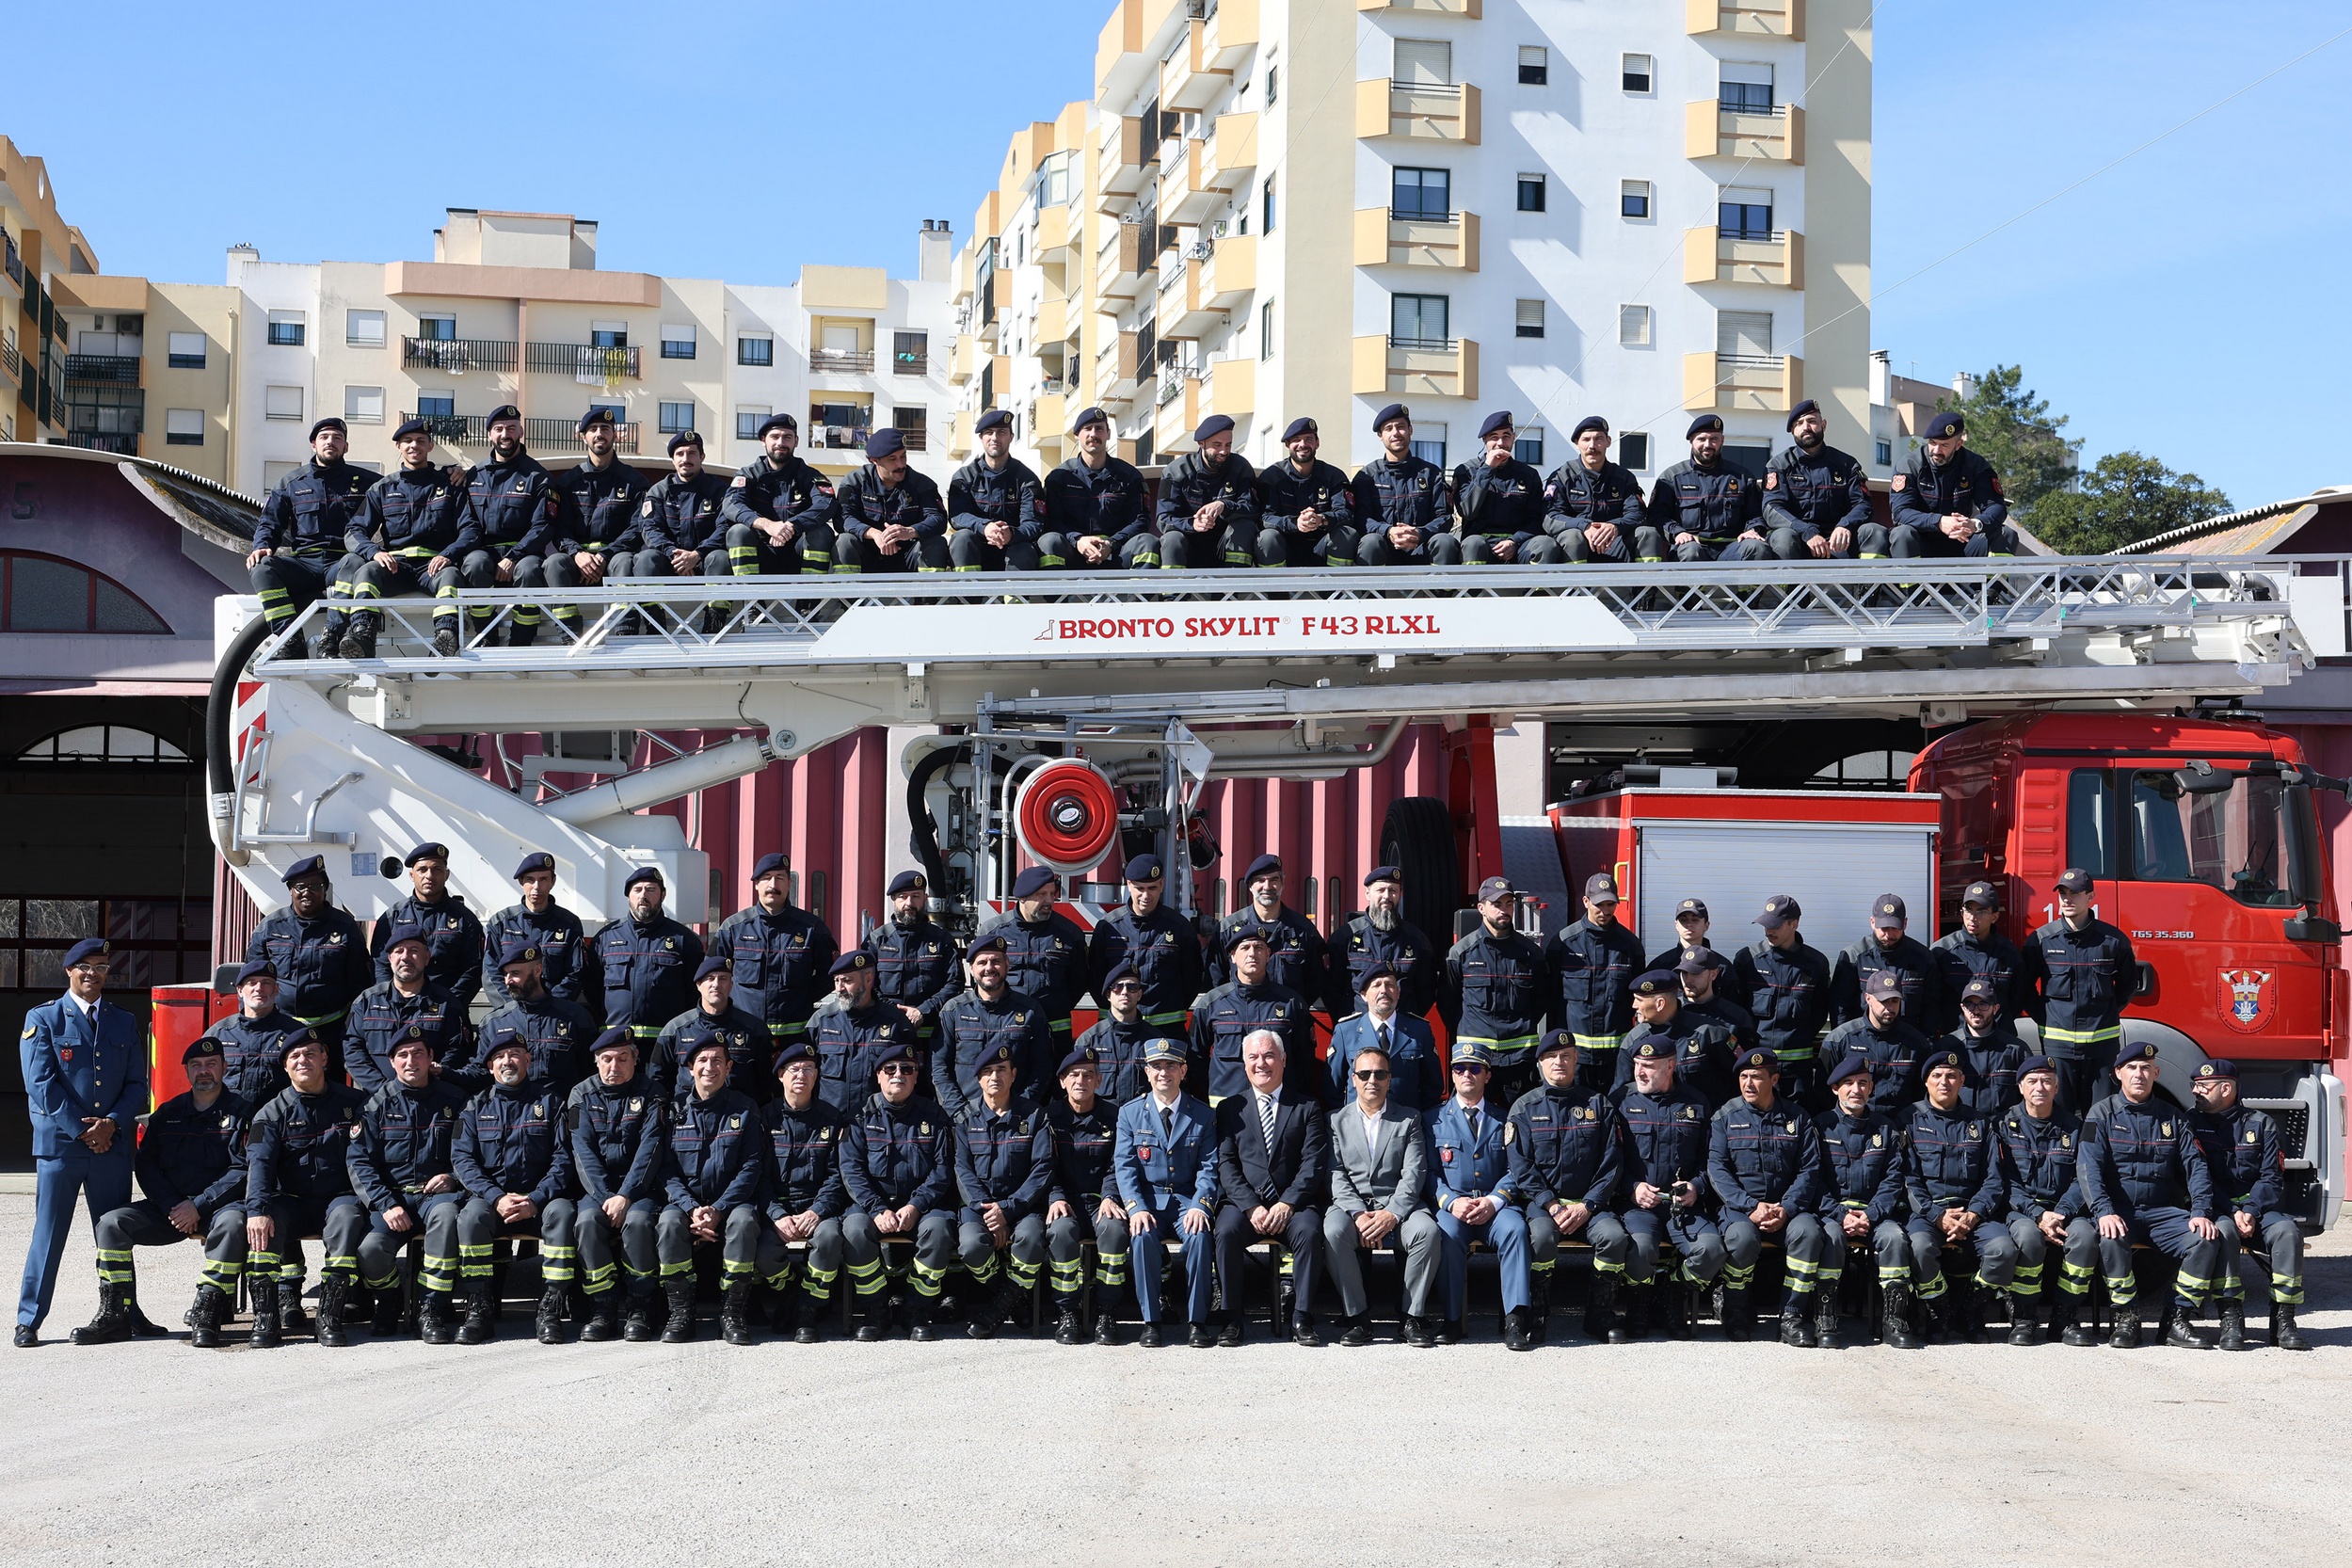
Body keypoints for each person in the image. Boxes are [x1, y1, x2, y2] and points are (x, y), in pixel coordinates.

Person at [72, 1034, 249, 1350]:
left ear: (224, 1067)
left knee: (234, 1224)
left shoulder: (243, 1113)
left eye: (211, 1064)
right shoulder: (168, 1113)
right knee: (111, 1223)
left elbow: (244, 1169)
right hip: (171, 1210)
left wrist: (199, 1205)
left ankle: (207, 1311)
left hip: (218, 1209)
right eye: (196, 1065)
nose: (204, 1071)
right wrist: (173, 1205)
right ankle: (116, 1314)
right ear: (186, 1071)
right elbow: (146, 1165)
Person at [18, 938, 148, 1348]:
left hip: (109, 1146)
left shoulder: (123, 1021)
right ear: (69, 970)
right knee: (48, 1234)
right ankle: (29, 1319)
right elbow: (40, 1084)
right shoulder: (45, 1018)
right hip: (62, 1146)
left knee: (114, 1234)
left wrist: (110, 1124)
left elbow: (136, 1085)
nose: (94, 973)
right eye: (85, 966)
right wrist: (82, 1129)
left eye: (102, 967)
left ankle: (125, 1311)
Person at [2077, 1041, 2222, 1349]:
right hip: (2119, 1211)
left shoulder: (2174, 1118)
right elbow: (2089, 1168)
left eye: (2146, 1068)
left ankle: (2176, 1319)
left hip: (2161, 1213)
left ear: (2156, 1073)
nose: (2139, 1074)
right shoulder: (2100, 1115)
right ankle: (2126, 1318)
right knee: (2111, 1238)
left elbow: (2195, 1167)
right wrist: (2103, 1211)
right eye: (2132, 1068)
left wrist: (2200, 1212)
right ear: (2118, 1073)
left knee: (2205, 1239)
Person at [1500, 1032, 1631, 1347]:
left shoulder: (1597, 1105)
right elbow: (1521, 1167)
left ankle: (1599, 1314)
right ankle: (1539, 1312)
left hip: (1590, 1205)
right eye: (1551, 1057)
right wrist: (1551, 1204)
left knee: (1614, 1239)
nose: (1559, 1062)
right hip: (1545, 1205)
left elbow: (1612, 1162)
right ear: (1541, 1063)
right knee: (1541, 1239)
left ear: (1576, 1060)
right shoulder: (1524, 1108)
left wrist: (1588, 1205)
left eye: (1566, 1056)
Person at [242, 1030, 369, 1349]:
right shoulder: (270, 1114)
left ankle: (329, 1317)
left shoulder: (354, 1105)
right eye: (295, 1056)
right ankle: (267, 1319)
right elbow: (260, 1166)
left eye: (311, 1054)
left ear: (325, 1059)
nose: (303, 1061)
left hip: (338, 1200)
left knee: (347, 1218)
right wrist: (257, 1211)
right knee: (264, 1228)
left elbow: (369, 1158)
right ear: (285, 1066)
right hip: (291, 1202)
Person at [451, 1032, 576, 1345]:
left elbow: (564, 1159)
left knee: (563, 1212)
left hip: (540, 1202)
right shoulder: (474, 1107)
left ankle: (550, 1309)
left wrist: (535, 1199)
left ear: (528, 1061)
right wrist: (496, 1197)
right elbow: (462, 1160)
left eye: (516, 1054)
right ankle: (479, 1307)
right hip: (492, 1202)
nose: (508, 1061)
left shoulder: (550, 1103)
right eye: (500, 1057)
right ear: (491, 1067)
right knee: (470, 1218)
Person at [346, 1030, 468, 1345]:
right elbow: (360, 1162)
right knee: (370, 1250)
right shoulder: (376, 1105)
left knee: (447, 1218)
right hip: (394, 1197)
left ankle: (432, 1307)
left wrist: (454, 1177)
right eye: (403, 1055)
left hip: (437, 1196)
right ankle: (389, 1299)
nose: (411, 1061)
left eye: (418, 1054)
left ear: (430, 1059)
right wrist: (386, 1204)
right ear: (392, 1062)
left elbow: (475, 1152)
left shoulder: (455, 1101)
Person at [1707, 1046, 1833, 1345]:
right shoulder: (1725, 1117)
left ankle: (1791, 1316)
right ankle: (1737, 1311)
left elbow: (1809, 1170)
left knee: (1809, 1233)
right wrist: (1750, 1207)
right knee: (1741, 1238)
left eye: (1757, 1077)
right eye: (1744, 1077)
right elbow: (1717, 1170)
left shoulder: (1798, 1118)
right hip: (1741, 1208)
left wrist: (1787, 1208)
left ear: (1774, 1079)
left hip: (1787, 1208)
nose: (1749, 1084)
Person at [1212, 1029, 1331, 1345]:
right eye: (1253, 1057)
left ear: (1283, 1060)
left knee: (1309, 1232)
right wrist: (1251, 1205)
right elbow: (1226, 1164)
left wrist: (1288, 1203)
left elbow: (1313, 1163)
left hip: (1293, 1205)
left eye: (1268, 1055)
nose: (1261, 1063)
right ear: (1244, 1062)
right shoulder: (1229, 1108)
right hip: (1244, 1206)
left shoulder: (1307, 1106)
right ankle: (1231, 1319)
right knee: (1224, 1232)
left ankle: (1302, 1318)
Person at [839, 1041, 957, 1341]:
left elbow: (943, 1169)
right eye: (890, 1069)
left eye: (907, 1069)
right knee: (853, 1229)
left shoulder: (935, 1116)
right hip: (872, 1206)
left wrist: (916, 1205)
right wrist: (876, 1208)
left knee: (939, 1231)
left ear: (916, 1076)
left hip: (923, 1206)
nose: (898, 1074)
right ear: (878, 1075)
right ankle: (875, 1309)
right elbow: (851, 1169)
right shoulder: (860, 1118)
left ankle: (915, 1311)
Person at [1323, 1039, 1439, 1345]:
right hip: (1354, 1209)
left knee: (1426, 1232)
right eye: (1364, 1074)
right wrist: (1359, 1214)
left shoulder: (1409, 1118)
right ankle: (1358, 1318)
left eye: (1379, 1074)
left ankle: (1411, 1317)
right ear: (1353, 1079)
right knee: (1333, 1231)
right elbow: (1336, 1174)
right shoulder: (1337, 1120)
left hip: (1400, 1208)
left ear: (1390, 1079)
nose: (1371, 1080)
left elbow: (1414, 1173)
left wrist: (1392, 1214)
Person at [1610, 1037, 1726, 1341]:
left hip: (1682, 1206)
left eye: (1648, 1066)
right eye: (1637, 1065)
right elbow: (1607, 1161)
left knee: (1711, 1251)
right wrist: (1631, 1188)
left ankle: (1671, 1297)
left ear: (1671, 1066)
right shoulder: (1620, 1101)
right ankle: (1638, 1307)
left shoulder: (1696, 1102)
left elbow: (1710, 1159)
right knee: (1640, 1250)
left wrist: (1697, 1187)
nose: (1640, 1073)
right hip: (1638, 1205)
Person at [2190, 1059, 2308, 1352]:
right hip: (2218, 1209)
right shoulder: (2190, 1123)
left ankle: (2284, 1319)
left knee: (2287, 1232)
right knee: (2223, 1232)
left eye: (2203, 1087)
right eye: (2195, 1085)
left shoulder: (2261, 1123)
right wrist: (2232, 1211)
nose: (2195, 1091)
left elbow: (2272, 1177)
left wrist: (2252, 1211)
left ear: (2226, 1089)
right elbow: (2196, 1177)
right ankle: (2231, 1318)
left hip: (2259, 1211)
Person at [1901, 1048, 2016, 1344]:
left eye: (1952, 1076)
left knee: (2003, 1249)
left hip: (1973, 1214)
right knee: (1919, 1249)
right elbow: (1908, 1179)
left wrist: (1974, 1214)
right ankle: (1939, 1311)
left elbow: (1994, 1179)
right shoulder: (1909, 1120)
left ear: (1962, 1080)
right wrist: (1937, 1216)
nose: (1944, 1082)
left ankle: (1971, 1311)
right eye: (1937, 1076)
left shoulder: (1980, 1123)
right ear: (1925, 1081)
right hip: (1927, 1215)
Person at [657, 1034, 766, 1345]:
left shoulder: (745, 1108)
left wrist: (718, 1209)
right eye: (702, 1060)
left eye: (717, 1060)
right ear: (690, 1068)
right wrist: (691, 1208)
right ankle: (681, 1313)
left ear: (729, 1066)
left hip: (733, 1202)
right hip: (685, 1202)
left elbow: (751, 1167)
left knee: (744, 1224)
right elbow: (664, 1168)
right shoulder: (674, 1110)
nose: (710, 1067)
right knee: (667, 1224)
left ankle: (732, 1313)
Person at [1113, 1037, 1220, 1346]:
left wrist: (1202, 1204)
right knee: (1142, 1237)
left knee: (1200, 1236)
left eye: (1170, 1065)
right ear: (1146, 1072)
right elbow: (1125, 1167)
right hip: (1148, 1199)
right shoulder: (1130, 1114)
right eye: (1156, 1066)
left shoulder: (1203, 1114)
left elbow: (1209, 1167)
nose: (1163, 1073)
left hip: (1187, 1200)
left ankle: (1197, 1320)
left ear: (1183, 1070)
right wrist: (1135, 1208)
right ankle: (1151, 1321)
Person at [567, 1025, 667, 1342]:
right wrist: (607, 1196)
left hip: (641, 1189)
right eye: (607, 1059)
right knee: (586, 1222)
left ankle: (640, 1306)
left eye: (622, 1058)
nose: (614, 1066)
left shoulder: (654, 1093)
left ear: (635, 1059)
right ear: (596, 1062)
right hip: (597, 1189)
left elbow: (650, 1151)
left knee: (638, 1223)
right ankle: (603, 1307)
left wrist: (625, 1196)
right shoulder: (580, 1095)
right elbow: (582, 1154)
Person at [336, 417, 468, 658]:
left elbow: (470, 529)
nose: (413, 446)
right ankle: (363, 634)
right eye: (407, 441)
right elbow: (355, 530)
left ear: (430, 446)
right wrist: (374, 553)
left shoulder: (450, 485)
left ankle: (445, 637)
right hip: (396, 566)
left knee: (451, 576)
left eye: (420, 441)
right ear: (398, 447)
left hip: (434, 566)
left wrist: (448, 556)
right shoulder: (382, 489)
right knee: (366, 571)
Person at [247, 416, 375, 658]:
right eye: (324, 437)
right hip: (303, 564)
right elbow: (270, 522)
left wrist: (450, 473)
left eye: (338, 438)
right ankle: (289, 640)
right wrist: (262, 546)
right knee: (262, 567)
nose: (331, 442)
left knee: (356, 562)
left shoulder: (368, 482)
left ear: (345, 447)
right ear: (313, 444)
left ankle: (333, 637)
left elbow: (406, 485)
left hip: (342, 563)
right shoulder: (290, 483)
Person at [952, 1041, 1054, 1338]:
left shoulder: (1034, 1115)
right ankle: (1012, 1299)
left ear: (1014, 1075)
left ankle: (998, 1309)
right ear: (979, 1079)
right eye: (988, 1071)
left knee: (1032, 1241)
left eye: (1001, 1070)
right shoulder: (963, 1118)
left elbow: (1042, 1168)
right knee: (971, 1247)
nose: (994, 1076)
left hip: (1023, 1206)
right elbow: (962, 1170)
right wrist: (988, 1210)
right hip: (978, 1208)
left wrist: (1008, 1210)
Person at [1425, 1044, 1526, 1345]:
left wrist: (1495, 1200)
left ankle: (1515, 1320)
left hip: (1495, 1206)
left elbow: (1517, 1170)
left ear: (1488, 1076)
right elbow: (1427, 1173)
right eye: (1459, 1069)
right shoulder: (1432, 1119)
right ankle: (1452, 1319)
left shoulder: (1506, 1118)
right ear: (1452, 1076)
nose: (1466, 1074)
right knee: (1444, 1234)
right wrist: (1450, 1202)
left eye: (1475, 1068)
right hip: (1454, 1205)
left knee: (1517, 1230)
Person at [1997, 1055, 2099, 1348]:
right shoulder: (2003, 1124)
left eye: (2046, 1081)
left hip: (2066, 1210)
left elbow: (2084, 1177)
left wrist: (2061, 1213)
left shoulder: (2078, 1127)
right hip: (2022, 1211)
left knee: (2086, 1237)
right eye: (2032, 1081)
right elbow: (2004, 1181)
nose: (2039, 1087)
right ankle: (2025, 1316)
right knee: (2028, 1237)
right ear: (2020, 1087)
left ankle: (2064, 1317)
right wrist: (2037, 1214)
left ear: (2056, 1088)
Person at [243, 855, 373, 1080]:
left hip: (331, 1029)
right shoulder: (270, 927)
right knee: (277, 1090)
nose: (307, 892)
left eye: (315, 886)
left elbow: (360, 983)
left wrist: (356, 1029)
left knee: (330, 1093)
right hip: (279, 1028)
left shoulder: (345, 927)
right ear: (290, 890)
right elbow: (251, 981)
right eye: (300, 887)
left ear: (325, 889)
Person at [2021, 867, 2138, 1114]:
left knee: (2101, 1114)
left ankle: (2094, 1154)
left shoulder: (2113, 941)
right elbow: (2023, 987)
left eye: (2074, 893)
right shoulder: (2041, 940)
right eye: (2062, 893)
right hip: (2058, 1048)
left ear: (2090, 896)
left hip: (2102, 1048)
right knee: (2059, 1113)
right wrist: (2047, 1018)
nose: (2067, 899)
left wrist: (2107, 1012)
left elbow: (2128, 984)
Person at [1811, 1053, 1910, 1348]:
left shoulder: (1886, 1129)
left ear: (1871, 1088)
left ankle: (1894, 1320)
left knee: (1895, 1238)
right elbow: (1813, 1180)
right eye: (1849, 1083)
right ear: (1835, 1089)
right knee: (1829, 1236)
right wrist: (1841, 1215)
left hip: (1875, 1216)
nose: (1856, 1089)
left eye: (1863, 1083)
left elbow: (1894, 1179)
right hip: (1833, 1214)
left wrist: (1872, 1215)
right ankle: (1825, 1317)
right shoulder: (1820, 1126)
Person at [707, 852, 839, 1066]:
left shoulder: (812, 928)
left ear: (789, 884)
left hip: (795, 1036)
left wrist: (803, 997)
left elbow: (831, 974)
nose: (773, 884)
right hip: (743, 1035)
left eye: (780, 878)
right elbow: (711, 974)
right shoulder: (733, 928)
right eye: (766, 878)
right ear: (756, 884)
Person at [755, 1042, 848, 1343]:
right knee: (764, 1252)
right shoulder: (764, 1119)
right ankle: (793, 1293)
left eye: (808, 1069)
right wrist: (778, 1215)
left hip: (819, 1210)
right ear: (780, 1075)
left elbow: (839, 1176)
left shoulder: (833, 1119)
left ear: (818, 1075)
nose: (801, 1075)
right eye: (793, 1069)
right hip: (777, 1211)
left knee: (831, 1239)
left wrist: (817, 1211)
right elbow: (757, 1175)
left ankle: (807, 1310)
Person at [542, 408, 654, 642]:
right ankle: (570, 633)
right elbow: (559, 528)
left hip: (615, 555)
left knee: (625, 562)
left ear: (615, 435)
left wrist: (605, 555)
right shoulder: (566, 482)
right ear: (583, 436)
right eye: (593, 429)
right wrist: (577, 554)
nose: (599, 434)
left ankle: (626, 630)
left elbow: (637, 528)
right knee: (554, 563)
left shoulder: (634, 481)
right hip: (577, 558)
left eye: (605, 429)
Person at [453, 405, 560, 647]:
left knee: (530, 571)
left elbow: (543, 526)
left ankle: (521, 639)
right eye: (498, 429)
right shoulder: (473, 475)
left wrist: (514, 556)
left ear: (521, 432)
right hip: (485, 551)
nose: (505, 434)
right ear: (489, 434)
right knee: (474, 564)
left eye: (511, 428)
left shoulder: (538, 476)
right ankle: (486, 635)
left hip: (524, 553)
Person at [1045, 1046, 1128, 1345]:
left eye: (1088, 1075)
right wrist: (1055, 1196)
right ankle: (1068, 1311)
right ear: (1063, 1081)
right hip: (1064, 1200)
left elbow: (1119, 1163)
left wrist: (1110, 1196)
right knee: (1062, 1231)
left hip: (1100, 1200)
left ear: (1099, 1081)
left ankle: (1107, 1310)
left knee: (1115, 1231)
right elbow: (1044, 1165)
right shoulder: (1049, 1118)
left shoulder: (1115, 1116)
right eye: (1074, 1075)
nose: (1081, 1080)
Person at [1442, 877, 1549, 1109]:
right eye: (1497, 904)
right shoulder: (1461, 953)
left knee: (1520, 1126)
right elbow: (1448, 1004)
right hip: (1476, 1061)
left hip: (1519, 1062)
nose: (1504, 909)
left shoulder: (1531, 954)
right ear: (1481, 908)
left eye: (1509, 903)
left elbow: (1541, 1001)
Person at [931, 932, 1054, 1118]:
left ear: (1007, 966)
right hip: (965, 1119)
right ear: (971, 969)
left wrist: (1022, 1107)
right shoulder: (954, 1011)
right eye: (982, 963)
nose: (989, 968)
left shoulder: (1030, 1011)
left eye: (996, 961)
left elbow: (1042, 1067)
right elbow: (939, 1066)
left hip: (1016, 1119)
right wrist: (959, 1112)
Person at [1545, 872, 1647, 1096]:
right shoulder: (1563, 944)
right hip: (1575, 1058)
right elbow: (1549, 1000)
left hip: (1617, 1059)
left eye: (1611, 904)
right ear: (1585, 901)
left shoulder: (1630, 946)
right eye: (1599, 904)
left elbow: (1640, 1002)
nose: (1605, 911)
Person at [1730, 895, 1834, 1110]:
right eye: (1765, 925)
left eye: (1775, 925)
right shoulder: (1748, 959)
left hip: (1798, 1071)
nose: (1769, 931)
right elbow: (1736, 1011)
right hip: (1758, 1067)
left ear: (1794, 924)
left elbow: (1819, 1013)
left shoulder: (1816, 964)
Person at [1190, 925, 1315, 1103]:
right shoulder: (1211, 1003)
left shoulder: (1292, 1003)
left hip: (1277, 1106)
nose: (1252, 954)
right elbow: (1195, 1057)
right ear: (1232, 956)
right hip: (1227, 1107)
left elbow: (1304, 1059)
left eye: (1259, 947)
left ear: (1268, 954)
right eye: (1245, 948)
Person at [1086, 853, 1206, 1033]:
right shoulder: (1108, 927)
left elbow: (1193, 978)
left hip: (1167, 1028)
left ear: (1162, 885)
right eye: (1139, 888)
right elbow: (1095, 978)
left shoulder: (1180, 927)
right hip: (1118, 1029)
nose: (1145, 895)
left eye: (1152, 888)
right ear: (1129, 885)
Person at [344, 926, 468, 1097]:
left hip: (431, 1099)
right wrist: (384, 1091)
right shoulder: (366, 1001)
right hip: (376, 1100)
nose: (405, 957)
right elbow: (352, 1051)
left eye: (414, 951)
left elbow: (456, 1051)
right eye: (399, 951)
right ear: (389, 958)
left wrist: (432, 1082)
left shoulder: (447, 1003)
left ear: (426, 958)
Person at [591, 865, 704, 1048]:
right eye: (637, 890)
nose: (643, 895)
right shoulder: (605, 938)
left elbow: (695, 993)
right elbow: (593, 986)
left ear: (663, 895)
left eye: (651, 890)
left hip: (664, 1045)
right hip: (616, 1045)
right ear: (629, 896)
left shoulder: (684, 940)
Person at [973, 866, 1088, 1043]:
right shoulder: (993, 931)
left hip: (1054, 1030)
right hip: (1004, 1026)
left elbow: (1079, 981)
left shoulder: (1070, 934)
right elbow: (982, 978)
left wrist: (1055, 1006)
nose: (1049, 900)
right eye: (1041, 895)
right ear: (1022, 897)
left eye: (1052, 893)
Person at [718, 411, 840, 576]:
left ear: (796, 442)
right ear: (763, 440)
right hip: (760, 554)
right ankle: (752, 599)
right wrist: (767, 525)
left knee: (822, 531)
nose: (780, 443)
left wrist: (791, 526)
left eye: (787, 437)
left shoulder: (810, 476)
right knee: (738, 531)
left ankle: (809, 599)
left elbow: (826, 504)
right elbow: (732, 504)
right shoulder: (748, 475)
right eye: (774, 437)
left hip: (799, 554)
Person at [369, 841, 487, 1010]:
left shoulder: (465, 919)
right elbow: (380, 965)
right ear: (411, 875)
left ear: (446, 874)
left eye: (437, 869)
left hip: (448, 1011)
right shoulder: (392, 917)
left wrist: (448, 1006)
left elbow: (473, 970)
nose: (429, 876)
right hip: (398, 1009)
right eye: (422, 870)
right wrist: (393, 1001)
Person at [1889, 410, 2017, 559]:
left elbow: (1996, 506)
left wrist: (1975, 524)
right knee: (1901, 534)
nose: (1936, 450)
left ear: (1958, 445)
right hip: (1920, 542)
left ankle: (1993, 583)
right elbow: (1899, 513)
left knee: (2006, 534)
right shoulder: (1910, 465)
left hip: (1963, 541)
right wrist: (1939, 522)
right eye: (1932, 442)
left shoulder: (1976, 465)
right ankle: (1913, 583)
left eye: (1944, 445)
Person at [476, 938, 597, 1097]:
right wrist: (443, 1072)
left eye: (515, 973)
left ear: (538, 970)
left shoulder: (575, 1018)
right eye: (505, 974)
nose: (508, 981)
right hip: (512, 1115)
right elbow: (479, 1074)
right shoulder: (493, 1023)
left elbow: (592, 1074)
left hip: (560, 1113)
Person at [1760, 400, 1875, 561]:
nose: (1806, 427)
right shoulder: (1779, 465)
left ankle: (1869, 584)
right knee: (1784, 537)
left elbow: (1863, 504)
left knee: (1873, 531)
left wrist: (1845, 525)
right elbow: (1772, 508)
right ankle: (1786, 586)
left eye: (1812, 421)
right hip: (1798, 540)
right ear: (1793, 430)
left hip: (1838, 541)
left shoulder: (1846, 464)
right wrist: (1806, 531)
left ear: (1824, 425)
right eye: (1799, 423)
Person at [1215, 853, 1335, 1007]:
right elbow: (1216, 980)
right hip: (1241, 1021)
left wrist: (1293, 1008)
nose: (1267, 886)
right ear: (1251, 886)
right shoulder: (1228, 929)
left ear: (1282, 884)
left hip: (1288, 1022)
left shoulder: (1304, 930)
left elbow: (1318, 981)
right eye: (1260, 880)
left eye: (1274, 880)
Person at [864, 870, 965, 1053]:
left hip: (933, 1040)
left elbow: (955, 982)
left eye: (915, 896)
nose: (909, 903)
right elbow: (866, 983)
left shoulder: (942, 940)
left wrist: (924, 1011)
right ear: (893, 899)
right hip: (885, 1035)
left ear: (925, 898)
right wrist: (893, 1010)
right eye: (903, 897)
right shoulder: (876, 940)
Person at [1646, 414, 1769, 561]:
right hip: (1689, 545)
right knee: (1691, 551)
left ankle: (1747, 585)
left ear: (1722, 441)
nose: (1707, 444)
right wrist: (1678, 532)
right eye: (1701, 439)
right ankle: (1692, 585)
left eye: (1714, 439)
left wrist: (1752, 530)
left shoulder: (1742, 477)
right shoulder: (1672, 477)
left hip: (1731, 548)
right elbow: (1657, 516)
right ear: (1691, 440)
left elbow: (1756, 515)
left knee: (1756, 547)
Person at [1042, 407, 1155, 568]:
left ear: (1108, 434)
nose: (1093, 434)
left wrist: (1112, 543)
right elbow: (1051, 520)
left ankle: (1139, 593)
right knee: (1049, 541)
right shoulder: (1059, 477)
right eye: (1087, 429)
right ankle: (1058, 593)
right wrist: (1078, 540)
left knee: (1147, 542)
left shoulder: (1129, 476)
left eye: (1099, 429)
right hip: (1074, 552)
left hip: (1117, 553)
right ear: (1077, 435)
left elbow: (1140, 520)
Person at [1351, 404, 1462, 568]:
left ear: (1411, 430)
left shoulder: (1431, 473)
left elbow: (1444, 517)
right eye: (1388, 429)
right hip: (1384, 550)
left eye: (1401, 427)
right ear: (1380, 436)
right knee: (1370, 542)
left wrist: (1420, 533)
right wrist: (1388, 531)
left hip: (1422, 547)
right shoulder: (1367, 476)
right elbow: (1361, 518)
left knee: (1445, 541)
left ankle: (1441, 592)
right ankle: (1371, 593)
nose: (1395, 433)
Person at [649, 962, 774, 1107]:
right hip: (689, 1116)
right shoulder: (674, 1029)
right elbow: (658, 1079)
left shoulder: (755, 1029)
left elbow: (769, 1082)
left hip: (739, 1116)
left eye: (723, 978)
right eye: (710, 978)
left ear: (731, 985)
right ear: (698, 985)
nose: (716, 984)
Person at [1613, 970, 1737, 1111]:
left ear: (1660, 1004)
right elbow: (1621, 1093)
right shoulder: (1633, 1040)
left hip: (1704, 1123)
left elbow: (1740, 1080)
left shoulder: (1711, 1033)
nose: (1634, 1005)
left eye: (1639, 1000)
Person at [1328, 962, 1442, 1114]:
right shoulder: (1345, 1031)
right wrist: (1345, 1123)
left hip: (1406, 1125)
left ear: (1398, 993)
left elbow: (1433, 1086)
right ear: (1363, 995)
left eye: (1390, 985)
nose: (1384, 991)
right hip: (1359, 1124)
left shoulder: (1419, 1030)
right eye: (1376, 985)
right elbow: (1333, 1087)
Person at [1541, 415, 1656, 564]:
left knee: (1648, 533)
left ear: (1608, 441)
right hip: (1576, 546)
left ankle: (1647, 585)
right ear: (1577, 443)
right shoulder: (1562, 476)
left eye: (1599, 439)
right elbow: (1551, 516)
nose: (1592, 446)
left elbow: (1638, 513)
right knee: (1573, 537)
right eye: (1586, 439)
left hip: (1615, 544)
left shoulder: (1624, 478)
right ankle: (1575, 587)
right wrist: (1584, 526)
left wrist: (1615, 526)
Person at [1819, 969, 1934, 1117]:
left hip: (1901, 1127)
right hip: (1857, 1127)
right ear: (1867, 998)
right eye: (1883, 1001)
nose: (1889, 1008)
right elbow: (1823, 1092)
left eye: (1895, 1001)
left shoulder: (1917, 1043)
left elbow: (1922, 1093)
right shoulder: (1839, 1039)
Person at [835, 427, 950, 573]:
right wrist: (874, 534)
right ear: (875, 461)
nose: (901, 465)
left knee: (936, 542)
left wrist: (910, 531)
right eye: (892, 459)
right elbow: (842, 518)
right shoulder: (854, 482)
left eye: (903, 456)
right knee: (844, 541)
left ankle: (928, 595)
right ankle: (848, 595)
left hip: (908, 556)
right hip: (867, 556)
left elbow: (938, 519)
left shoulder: (922, 484)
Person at [1152, 414, 1261, 568]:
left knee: (1245, 526)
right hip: (1188, 547)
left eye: (1228, 445)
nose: (1223, 451)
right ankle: (1174, 592)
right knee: (1171, 538)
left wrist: (1224, 505)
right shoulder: (1175, 471)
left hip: (1227, 547)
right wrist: (1193, 524)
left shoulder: (1241, 467)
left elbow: (1254, 509)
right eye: (1217, 445)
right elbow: (1163, 518)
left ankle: (1231, 588)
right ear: (1201, 443)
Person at [481, 853, 588, 1007]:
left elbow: (574, 973)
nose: (536, 887)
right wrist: (511, 1010)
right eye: (530, 880)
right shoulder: (501, 923)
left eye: (543, 879)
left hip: (554, 1015)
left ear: (553, 881)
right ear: (521, 881)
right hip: (510, 1013)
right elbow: (490, 974)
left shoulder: (569, 924)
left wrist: (551, 1007)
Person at [812, 951, 914, 1112]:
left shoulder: (896, 1022)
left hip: (879, 1124)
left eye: (847, 981)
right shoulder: (821, 1020)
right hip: (832, 1123)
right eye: (836, 981)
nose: (840, 988)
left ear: (868, 979)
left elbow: (912, 1076)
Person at [1336, 864, 1439, 1022]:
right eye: (1381, 890)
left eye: (1393, 891)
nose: (1387, 896)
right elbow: (1331, 990)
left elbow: (1427, 991)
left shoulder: (1417, 941)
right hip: (1358, 1031)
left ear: (1400, 895)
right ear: (1368, 893)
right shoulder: (1344, 938)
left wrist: (1408, 1020)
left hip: (1403, 1030)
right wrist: (1348, 1025)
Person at [947, 408, 1046, 572]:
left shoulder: (1027, 478)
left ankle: (1014, 598)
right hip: (976, 550)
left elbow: (1034, 523)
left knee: (1024, 548)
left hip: (1012, 551)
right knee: (961, 539)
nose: (994, 438)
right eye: (989, 433)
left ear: (1011, 437)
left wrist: (1011, 534)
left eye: (1001, 432)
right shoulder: (964, 476)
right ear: (981, 438)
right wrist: (985, 527)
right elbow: (958, 516)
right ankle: (969, 596)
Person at [1252, 416, 1359, 568]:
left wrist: (1322, 519)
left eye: (1308, 439)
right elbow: (1265, 517)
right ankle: (1276, 590)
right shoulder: (1272, 476)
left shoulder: (1334, 476)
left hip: (1323, 547)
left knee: (1347, 533)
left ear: (1317, 443)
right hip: (1284, 548)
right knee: (1267, 537)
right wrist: (1296, 523)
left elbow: (1347, 514)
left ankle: (1333, 590)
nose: (1303, 444)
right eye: (1296, 440)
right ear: (1287, 445)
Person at [1455, 411, 1558, 564]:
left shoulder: (1528, 475)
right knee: (1473, 544)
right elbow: (1467, 511)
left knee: (1546, 544)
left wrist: (1514, 541)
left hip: (1518, 545)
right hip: (1479, 545)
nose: (1501, 443)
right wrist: (1487, 469)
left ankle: (1537, 588)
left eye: (1506, 436)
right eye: (1494, 437)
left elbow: (1536, 519)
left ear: (1514, 437)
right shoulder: (1467, 471)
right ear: (1485, 440)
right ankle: (1472, 589)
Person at [1830, 892, 1940, 1029]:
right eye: (1884, 928)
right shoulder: (1854, 957)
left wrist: (1926, 1045)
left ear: (1905, 923)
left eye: (1895, 928)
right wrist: (1844, 1042)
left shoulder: (1923, 958)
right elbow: (1840, 1008)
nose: (1889, 934)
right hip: (1864, 1041)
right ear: (1872, 922)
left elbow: (1931, 1007)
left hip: (1909, 1043)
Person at [645, 428, 736, 588]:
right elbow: (650, 529)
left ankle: (716, 611)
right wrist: (675, 555)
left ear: (702, 457)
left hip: (705, 561)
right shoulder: (658, 492)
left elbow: (725, 528)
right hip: (670, 562)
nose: (686, 459)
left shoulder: (719, 491)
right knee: (646, 559)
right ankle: (653, 612)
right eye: (680, 454)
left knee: (721, 558)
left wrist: (697, 554)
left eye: (692, 453)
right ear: (673, 460)